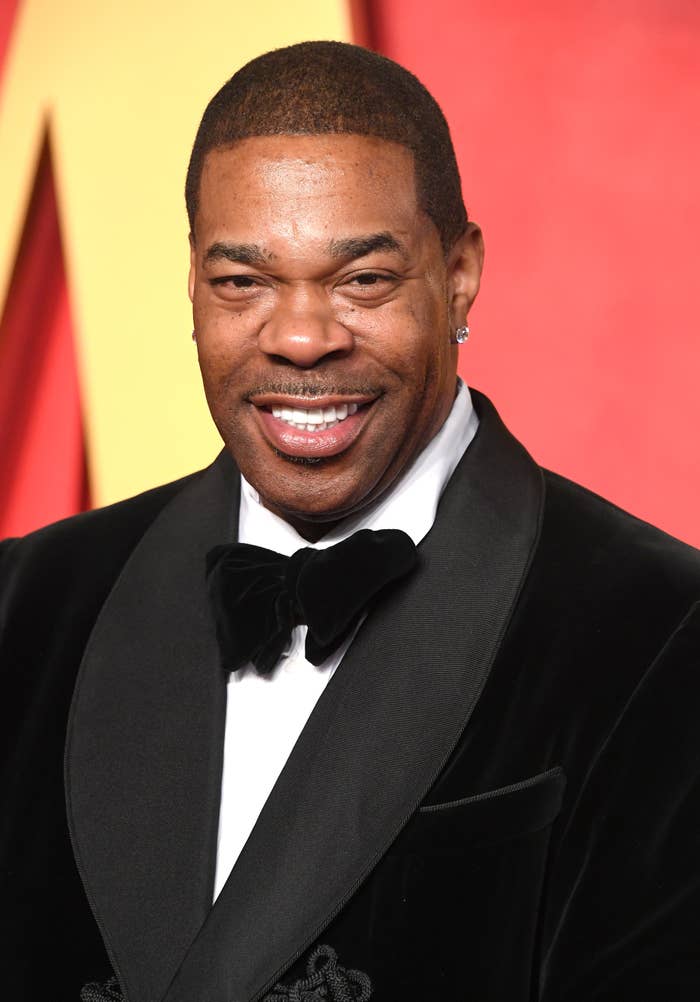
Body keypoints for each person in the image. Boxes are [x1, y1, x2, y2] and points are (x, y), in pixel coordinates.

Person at [1, 40, 699, 1002]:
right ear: (193, 289)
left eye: (362, 280)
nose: (300, 338)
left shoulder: (662, 630)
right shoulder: (21, 606)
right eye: (243, 281)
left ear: (459, 276)